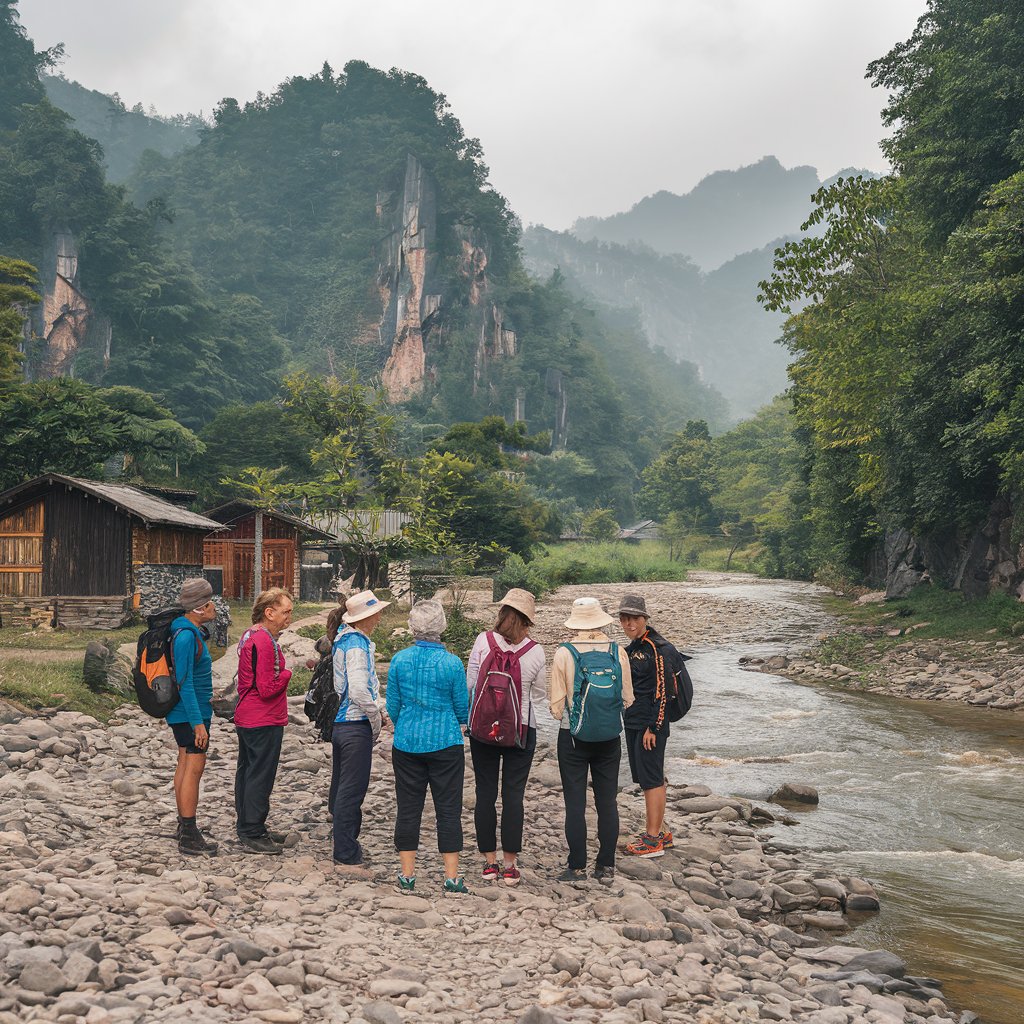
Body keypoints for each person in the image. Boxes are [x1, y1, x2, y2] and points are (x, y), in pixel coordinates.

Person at [386, 600, 470, 896]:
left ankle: (407, 875)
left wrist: (407, 721)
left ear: (412, 626)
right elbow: (462, 708)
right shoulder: (452, 663)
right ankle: (451, 877)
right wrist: (455, 720)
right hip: (446, 742)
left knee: (408, 808)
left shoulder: (399, 660)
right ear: (442, 626)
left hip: (407, 741)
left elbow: (393, 706)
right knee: (448, 810)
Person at [549, 597, 633, 882]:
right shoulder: (617, 651)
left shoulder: (564, 652)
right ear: (601, 620)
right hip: (610, 737)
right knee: (607, 801)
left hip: (572, 738)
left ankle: (576, 867)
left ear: (575, 622)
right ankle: (606, 866)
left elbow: (556, 707)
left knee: (575, 803)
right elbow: (627, 698)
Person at [466, 588, 546, 886]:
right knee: (513, 796)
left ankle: (489, 863)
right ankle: (510, 865)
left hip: (484, 729)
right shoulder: (535, 651)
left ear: (502, 613)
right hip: (520, 731)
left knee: (485, 793)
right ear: (527, 620)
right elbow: (537, 694)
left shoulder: (483, 641)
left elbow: (472, 682)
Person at [331, 589, 389, 868]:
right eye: (377, 612)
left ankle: (345, 840)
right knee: (352, 789)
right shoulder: (356, 645)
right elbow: (358, 689)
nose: (380, 617)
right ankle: (345, 849)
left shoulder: (345, 640)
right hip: (356, 724)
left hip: (342, 723)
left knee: (342, 785)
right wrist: (375, 718)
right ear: (370, 616)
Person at [234, 587, 294, 854]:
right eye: (286, 612)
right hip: (263, 717)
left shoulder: (250, 635)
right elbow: (268, 687)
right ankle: (252, 830)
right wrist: (288, 673)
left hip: (248, 716)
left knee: (247, 771)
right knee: (260, 774)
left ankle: (249, 824)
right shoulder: (264, 641)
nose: (289, 618)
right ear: (269, 613)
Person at [618, 594, 677, 858]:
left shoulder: (657, 648)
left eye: (635, 618)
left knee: (651, 780)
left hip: (649, 725)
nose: (629, 623)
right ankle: (661, 831)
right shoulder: (633, 648)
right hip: (634, 722)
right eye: (625, 618)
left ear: (645, 619)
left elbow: (664, 690)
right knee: (650, 777)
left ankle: (653, 840)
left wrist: (654, 726)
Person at [165, 578, 218, 856]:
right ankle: (189, 833)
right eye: (212, 602)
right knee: (193, 770)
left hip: (188, 711)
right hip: (190, 713)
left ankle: (183, 824)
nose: (215, 607)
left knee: (184, 765)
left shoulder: (187, 631)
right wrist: (198, 723)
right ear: (200, 607)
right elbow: (184, 682)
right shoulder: (186, 635)